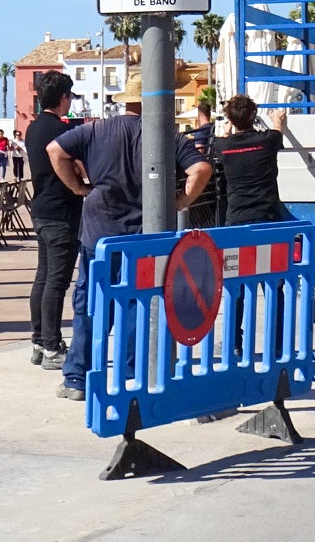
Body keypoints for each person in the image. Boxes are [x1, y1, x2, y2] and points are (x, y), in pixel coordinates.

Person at [48, 74, 213, 400]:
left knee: (90, 304)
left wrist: (78, 187)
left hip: (99, 233)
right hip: (144, 237)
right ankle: (130, 375)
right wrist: (181, 201)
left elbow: (55, 150)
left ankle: (77, 378)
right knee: (138, 304)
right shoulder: (168, 136)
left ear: (126, 101)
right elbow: (201, 170)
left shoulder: (96, 130)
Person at [24, 73, 81, 370]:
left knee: (43, 277)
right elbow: (75, 164)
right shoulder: (61, 130)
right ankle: (51, 346)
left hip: (41, 208)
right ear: (62, 99)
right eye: (70, 96)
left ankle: (38, 340)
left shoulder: (33, 129)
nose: (70, 101)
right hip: (62, 211)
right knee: (57, 282)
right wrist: (80, 187)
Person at [211, 95, 291, 226]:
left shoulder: (222, 146)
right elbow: (277, 132)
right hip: (266, 215)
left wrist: (227, 132)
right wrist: (277, 120)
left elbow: (225, 143)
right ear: (253, 116)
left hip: (236, 217)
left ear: (230, 119)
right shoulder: (266, 140)